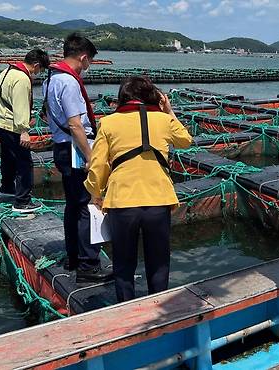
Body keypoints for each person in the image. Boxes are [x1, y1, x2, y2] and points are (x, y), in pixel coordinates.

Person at [84, 76, 192, 302]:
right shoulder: (163, 120)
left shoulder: (109, 122)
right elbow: (185, 140)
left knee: (124, 262)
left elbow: (98, 165)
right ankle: (159, 307)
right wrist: (169, 110)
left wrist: (96, 193)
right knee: (159, 261)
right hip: (158, 200)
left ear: (123, 97)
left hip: (122, 201)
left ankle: (126, 309)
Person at [43, 33, 111, 282]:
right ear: (83, 57)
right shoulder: (70, 83)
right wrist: (92, 157)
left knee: (73, 204)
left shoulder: (51, 78)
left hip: (61, 147)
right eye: (89, 62)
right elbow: (76, 126)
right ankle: (88, 265)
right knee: (85, 206)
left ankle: (73, 256)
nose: (87, 67)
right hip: (75, 148)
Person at [0, 49, 49, 213]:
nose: (39, 73)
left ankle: (7, 188)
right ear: (36, 65)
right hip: (12, 127)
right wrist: (24, 130)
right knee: (24, 162)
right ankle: (22, 201)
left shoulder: (7, 70)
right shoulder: (23, 78)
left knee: (8, 158)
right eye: (41, 69)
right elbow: (20, 105)